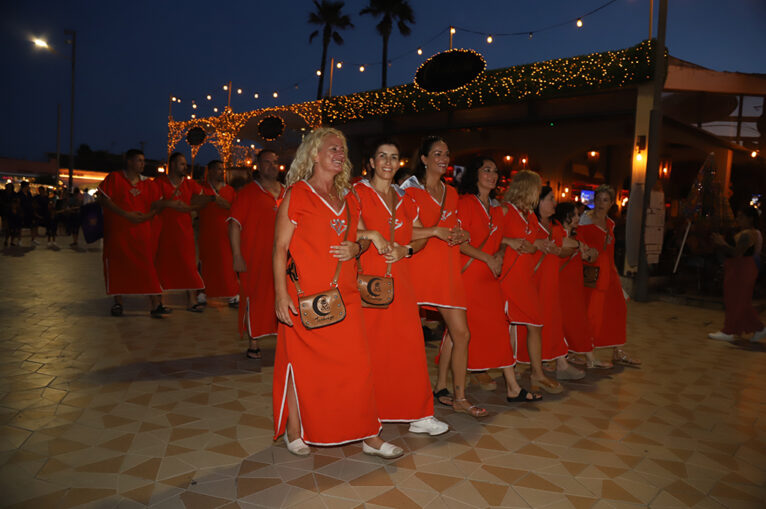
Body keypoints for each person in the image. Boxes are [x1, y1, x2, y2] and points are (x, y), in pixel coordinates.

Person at [272, 127, 402, 458]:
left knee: (359, 365)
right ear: (314, 154)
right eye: (332, 148)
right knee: (299, 364)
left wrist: (358, 246)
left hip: (345, 293)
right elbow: (279, 247)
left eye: (342, 148)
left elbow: (357, 236)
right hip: (305, 294)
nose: (339, 152)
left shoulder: (345, 197)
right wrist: (279, 294)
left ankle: (369, 435)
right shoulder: (297, 194)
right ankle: (294, 430)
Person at [353, 139, 449, 434]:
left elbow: (418, 235)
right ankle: (371, 413)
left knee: (409, 348)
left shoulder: (405, 198)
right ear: (371, 162)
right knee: (373, 351)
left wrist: (405, 250)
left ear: (399, 164)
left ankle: (418, 414)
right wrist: (372, 237)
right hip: (369, 283)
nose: (387, 162)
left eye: (394, 157)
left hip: (402, 281)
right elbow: (348, 230)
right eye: (381, 156)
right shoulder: (356, 194)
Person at [401, 136, 487, 417]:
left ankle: (459, 397)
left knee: (462, 333)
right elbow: (401, 232)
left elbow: (455, 230)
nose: (443, 158)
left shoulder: (452, 193)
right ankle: (405, 396)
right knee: (406, 340)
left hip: (447, 270)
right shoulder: (408, 191)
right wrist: (434, 232)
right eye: (437, 153)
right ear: (424, 159)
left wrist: (462, 235)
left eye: (447, 154)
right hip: (418, 270)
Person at [454, 156, 541, 402]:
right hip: (471, 275)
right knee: (458, 335)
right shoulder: (466, 203)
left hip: (489, 276)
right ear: (475, 174)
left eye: (495, 171)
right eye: (486, 170)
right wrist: (490, 257)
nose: (492, 175)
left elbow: (498, 239)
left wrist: (503, 250)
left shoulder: (493, 207)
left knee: (492, 331)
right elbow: (460, 241)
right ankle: (446, 388)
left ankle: (510, 385)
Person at [499, 171, 562, 394]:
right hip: (508, 276)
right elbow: (489, 235)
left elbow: (533, 244)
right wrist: (510, 241)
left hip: (524, 278)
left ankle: (536, 373)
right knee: (505, 328)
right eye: (537, 188)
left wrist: (533, 246)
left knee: (535, 323)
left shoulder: (530, 216)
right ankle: (493, 373)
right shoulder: (504, 210)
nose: (538, 193)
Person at [517, 186, 584, 381]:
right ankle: (527, 363)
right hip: (533, 282)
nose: (554, 203)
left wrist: (560, 250)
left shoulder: (554, 226)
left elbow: (562, 248)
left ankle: (558, 362)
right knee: (531, 324)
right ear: (538, 202)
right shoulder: (529, 223)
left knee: (552, 322)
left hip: (550, 282)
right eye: (550, 199)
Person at [229, 149, 285, 360]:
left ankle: (285, 341)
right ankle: (254, 342)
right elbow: (234, 225)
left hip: (282, 259)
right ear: (259, 166)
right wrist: (237, 255)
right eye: (268, 162)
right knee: (256, 298)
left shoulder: (287, 192)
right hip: (254, 258)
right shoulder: (247, 193)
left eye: (275, 162)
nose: (272, 166)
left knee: (281, 297)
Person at [578, 185, 641, 365]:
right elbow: (579, 243)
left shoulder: (611, 223)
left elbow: (610, 251)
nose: (600, 203)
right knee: (592, 312)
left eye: (605, 200)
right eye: (598, 199)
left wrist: (616, 275)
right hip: (591, 272)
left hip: (609, 272)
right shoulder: (585, 220)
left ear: (611, 203)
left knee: (618, 309)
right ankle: (586, 349)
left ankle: (617, 350)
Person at [97, 149, 164, 316]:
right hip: (119, 233)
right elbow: (103, 199)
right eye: (139, 160)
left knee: (148, 267)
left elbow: (157, 205)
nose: (142, 164)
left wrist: (146, 217)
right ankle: (118, 302)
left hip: (142, 234)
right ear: (129, 162)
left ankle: (155, 304)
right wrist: (125, 214)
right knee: (117, 266)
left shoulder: (149, 183)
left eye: (143, 160)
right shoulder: (115, 178)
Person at [554, 202, 613, 368]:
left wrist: (589, 254)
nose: (577, 218)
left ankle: (586, 356)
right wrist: (580, 247)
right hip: (558, 285)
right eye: (574, 215)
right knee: (560, 322)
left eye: (578, 215)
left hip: (573, 285)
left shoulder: (577, 234)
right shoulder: (556, 230)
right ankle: (569, 357)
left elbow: (590, 255)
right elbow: (560, 243)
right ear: (565, 216)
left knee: (578, 321)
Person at [152, 152, 207, 312]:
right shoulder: (159, 182)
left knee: (189, 266)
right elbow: (152, 204)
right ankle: (158, 303)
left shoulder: (189, 184)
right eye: (182, 164)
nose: (185, 167)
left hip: (185, 233)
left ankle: (191, 301)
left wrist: (192, 208)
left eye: (185, 164)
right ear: (173, 165)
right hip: (163, 233)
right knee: (161, 267)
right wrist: (169, 203)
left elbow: (203, 198)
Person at [710, 206, 766, 342]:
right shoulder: (754, 233)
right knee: (740, 301)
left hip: (742, 268)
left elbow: (737, 252)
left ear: (750, 218)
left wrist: (722, 243)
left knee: (736, 300)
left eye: (741, 217)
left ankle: (729, 331)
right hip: (745, 268)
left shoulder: (748, 234)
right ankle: (758, 329)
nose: (738, 219)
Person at [197, 160, 239, 307]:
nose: (222, 172)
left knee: (227, 264)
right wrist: (211, 199)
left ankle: (232, 294)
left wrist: (224, 204)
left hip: (225, 234)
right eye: (219, 169)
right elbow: (194, 203)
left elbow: (235, 209)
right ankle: (203, 293)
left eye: (223, 169)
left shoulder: (229, 190)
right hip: (207, 233)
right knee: (206, 263)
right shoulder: (201, 188)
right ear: (211, 171)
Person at [18, 182, 38, 246]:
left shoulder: (29, 194)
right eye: (27, 186)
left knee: (33, 226)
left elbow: (32, 201)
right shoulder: (19, 194)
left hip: (30, 211)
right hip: (22, 212)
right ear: (24, 187)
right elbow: (18, 203)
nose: (28, 187)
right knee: (20, 226)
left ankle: (33, 239)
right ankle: (19, 240)